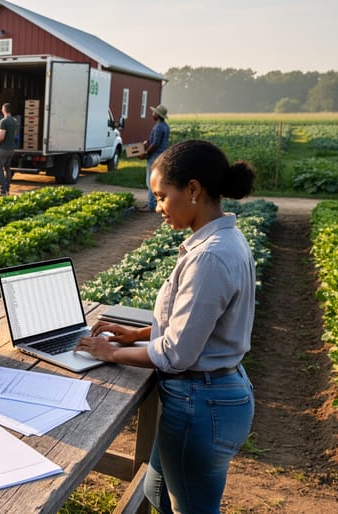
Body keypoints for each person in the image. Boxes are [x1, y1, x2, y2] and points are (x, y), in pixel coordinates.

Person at [76, 139, 257, 513]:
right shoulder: (223, 240)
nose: (157, 207)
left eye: (161, 196)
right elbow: (195, 325)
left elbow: (177, 353)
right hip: (211, 395)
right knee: (158, 492)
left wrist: (111, 352)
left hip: (202, 403)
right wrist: (140, 333)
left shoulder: (209, 257)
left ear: (193, 189)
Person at [139, 104, 170, 211]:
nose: (153, 114)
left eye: (154, 112)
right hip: (162, 156)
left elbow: (156, 144)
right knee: (157, 181)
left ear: (158, 115)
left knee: (150, 181)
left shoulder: (158, 127)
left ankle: (151, 205)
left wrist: (145, 153)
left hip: (154, 157)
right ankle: (152, 203)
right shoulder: (165, 126)